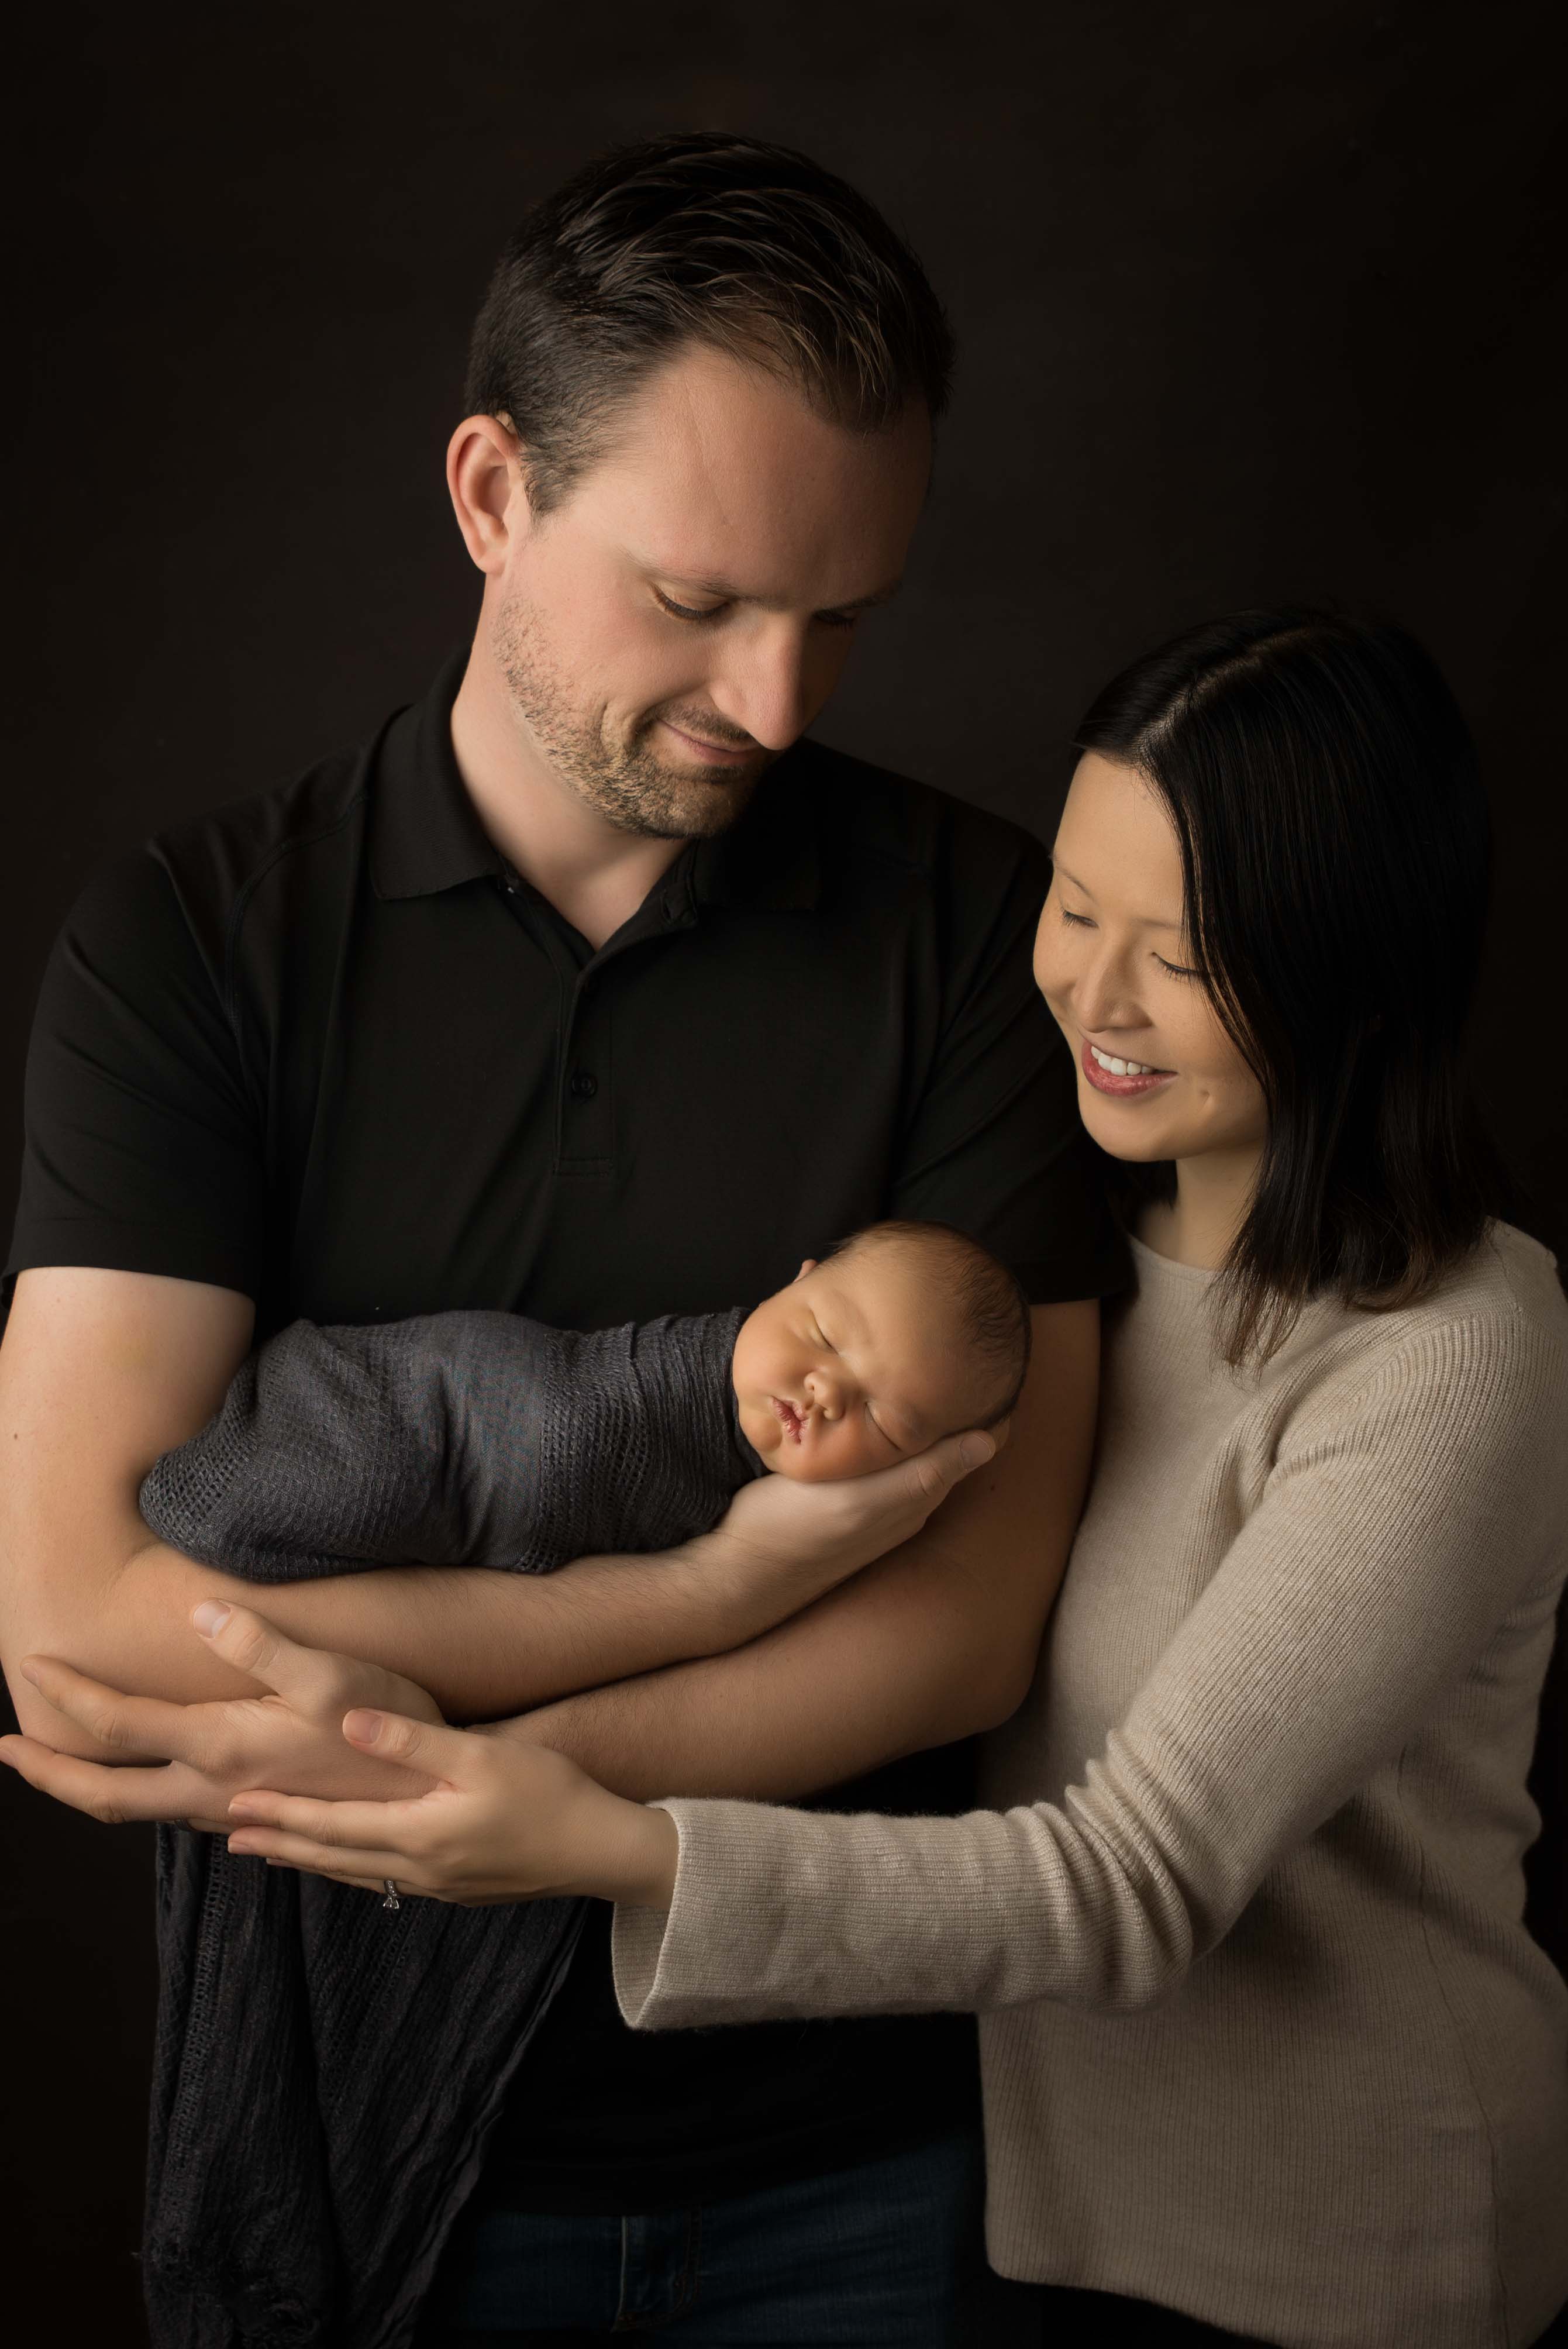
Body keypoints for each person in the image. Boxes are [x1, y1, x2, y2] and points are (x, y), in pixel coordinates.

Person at [60, 609, 1566, 2348]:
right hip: (1054, 2235)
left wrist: (578, 1829)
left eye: (1191, 951)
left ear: (1355, 969)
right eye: (1076, 912)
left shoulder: (1446, 1350)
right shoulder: (1052, 1280)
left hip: (1342, 2258)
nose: (1098, 995)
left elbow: (1130, 1881)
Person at [0, 133, 1124, 2348]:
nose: (782, 704)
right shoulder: (195, 946)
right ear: (493, 493)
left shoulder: (994, 936)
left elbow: (968, 1638)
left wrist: (503, 1781)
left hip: (868, 2158)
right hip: (363, 2174)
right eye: (701, 600)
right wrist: (711, 1596)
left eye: (843, 614)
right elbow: (81, 1608)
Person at [140, 1219, 1036, 1587]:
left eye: (886, 1421)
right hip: (435, 1399)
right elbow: (551, 1423)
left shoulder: (786, 1517)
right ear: (795, 1282)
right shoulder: (647, 1390)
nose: (827, 1392)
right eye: (826, 1337)